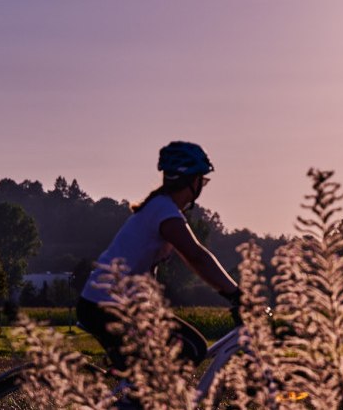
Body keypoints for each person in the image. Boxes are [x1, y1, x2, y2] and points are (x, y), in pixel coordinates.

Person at [76, 141, 241, 371]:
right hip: (107, 306)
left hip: (105, 304)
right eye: (202, 180)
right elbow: (196, 256)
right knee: (190, 348)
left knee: (159, 367)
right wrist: (236, 294)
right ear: (193, 181)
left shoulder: (158, 207)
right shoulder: (164, 212)